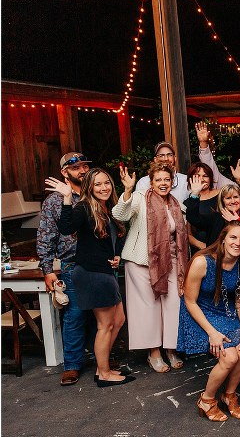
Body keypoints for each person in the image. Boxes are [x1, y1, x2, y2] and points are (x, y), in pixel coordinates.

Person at [46, 168, 132, 387]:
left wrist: (115, 256)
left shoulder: (108, 208)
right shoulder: (84, 207)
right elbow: (66, 228)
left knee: (119, 320)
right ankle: (103, 373)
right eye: (98, 184)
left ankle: (101, 366)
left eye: (107, 183)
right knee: (105, 325)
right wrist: (66, 197)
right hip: (91, 274)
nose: (104, 188)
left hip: (105, 271)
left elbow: (109, 240)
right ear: (89, 188)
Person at [113, 162, 189, 373]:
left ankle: (171, 349)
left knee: (174, 304)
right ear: (151, 182)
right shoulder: (139, 199)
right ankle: (154, 352)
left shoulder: (177, 205)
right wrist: (127, 190)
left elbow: (181, 239)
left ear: (172, 182)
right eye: (159, 180)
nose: (163, 183)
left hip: (171, 262)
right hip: (141, 262)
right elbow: (119, 215)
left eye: (167, 179)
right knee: (149, 309)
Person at [177, 221, 240, 421]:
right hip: (199, 313)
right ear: (223, 239)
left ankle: (229, 395)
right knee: (229, 357)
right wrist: (212, 332)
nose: (237, 243)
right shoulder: (202, 262)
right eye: (233, 237)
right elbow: (189, 300)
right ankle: (207, 400)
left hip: (225, 312)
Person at [37, 152, 93, 386]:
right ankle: (72, 364)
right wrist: (48, 269)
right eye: (76, 168)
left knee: (102, 313)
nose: (82, 171)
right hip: (72, 264)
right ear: (64, 172)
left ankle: (103, 358)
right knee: (75, 315)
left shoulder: (95, 193)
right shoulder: (54, 201)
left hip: (99, 263)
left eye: (84, 166)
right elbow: (46, 236)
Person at [185, 180, 240, 248]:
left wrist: (238, 222)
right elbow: (193, 218)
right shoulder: (215, 218)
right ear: (223, 201)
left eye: (236, 197)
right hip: (214, 257)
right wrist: (195, 194)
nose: (233, 201)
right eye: (228, 198)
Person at [185, 162, 219, 251]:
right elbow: (187, 233)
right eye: (197, 176)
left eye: (205, 176)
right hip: (200, 249)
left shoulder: (222, 195)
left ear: (211, 178)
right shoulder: (189, 202)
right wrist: (204, 247)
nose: (202, 179)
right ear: (190, 179)